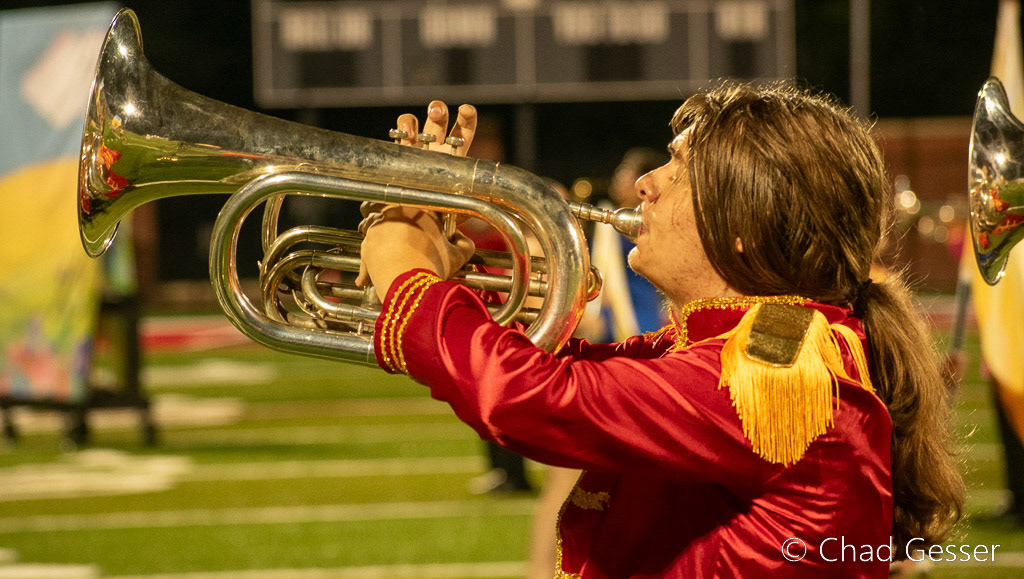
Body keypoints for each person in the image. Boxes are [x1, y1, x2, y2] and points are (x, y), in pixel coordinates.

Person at [357, 82, 965, 576]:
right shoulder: (754, 339)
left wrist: (408, 274)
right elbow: (579, 373)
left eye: (679, 170)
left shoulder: (778, 373)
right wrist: (456, 282)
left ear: (744, 225)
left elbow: (540, 400)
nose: (648, 183)